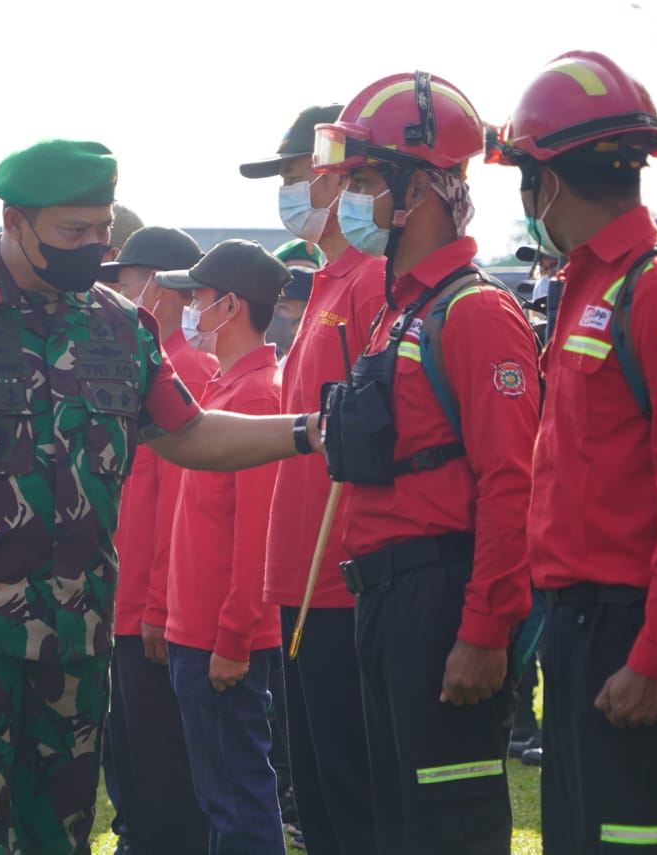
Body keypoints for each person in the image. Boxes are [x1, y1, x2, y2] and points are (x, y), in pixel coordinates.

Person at [0, 138, 308, 854]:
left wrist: (309, 430)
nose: (93, 245)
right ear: (15, 223)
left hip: (76, 635)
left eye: (101, 229)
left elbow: (188, 433)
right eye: (75, 231)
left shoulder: (119, 325)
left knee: (60, 829)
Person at [494, 50, 657, 854]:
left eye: (523, 174)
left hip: (635, 629)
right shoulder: (590, 286)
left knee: (640, 843)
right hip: (581, 628)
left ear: (547, 178)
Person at [309, 72, 539, 854]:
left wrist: (484, 628)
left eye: (368, 180)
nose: (351, 199)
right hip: (387, 601)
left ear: (424, 193)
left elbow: (511, 482)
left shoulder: (475, 313)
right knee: (402, 828)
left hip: (440, 602)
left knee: (450, 828)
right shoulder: (403, 311)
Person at [247, 103, 385, 855]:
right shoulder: (328, 282)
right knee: (319, 799)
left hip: (344, 581)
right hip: (300, 578)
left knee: (353, 798)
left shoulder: (373, 280)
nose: (291, 191)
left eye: (300, 175)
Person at [156, 239, 289, 854]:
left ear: (231, 305)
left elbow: (260, 531)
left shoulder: (258, 395)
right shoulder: (225, 387)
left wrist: (235, 635)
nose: (188, 308)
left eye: (198, 298)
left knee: (237, 799)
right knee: (221, 796)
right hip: (200, 630)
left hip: (221, 636)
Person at [98, 225, 213, 855]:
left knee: (161, 768)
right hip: (125, 602)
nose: (115, 292)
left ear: (156, 286)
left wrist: (159, 610)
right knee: (131, 764)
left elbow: (180, 508)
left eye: (122, 280)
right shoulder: (146, 358)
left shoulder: (185, 369)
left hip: (151, 612)